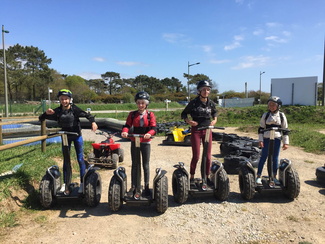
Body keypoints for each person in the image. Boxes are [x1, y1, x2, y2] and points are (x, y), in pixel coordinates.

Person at [39, 89, 98, 194]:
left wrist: (93, 123)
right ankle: (66, 184)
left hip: (76, 136)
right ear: (59, 100)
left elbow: (87, 115)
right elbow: (41, 118)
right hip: (65, 137)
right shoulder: (57, 111)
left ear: (70, 99)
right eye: (62, 99)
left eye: (66, 99)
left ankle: (82, 183)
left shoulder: (74, 109)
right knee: (66, 160)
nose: (64, 101)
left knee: (80, 159)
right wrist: (46, 113)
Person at [181, 80, 217, 184]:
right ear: (199, 91)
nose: (206, 91)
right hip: (196, 130)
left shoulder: (211, 103)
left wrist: (214, 120)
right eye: (204, 90)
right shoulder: (193, 103)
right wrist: (189, 121)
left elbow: (215, 113)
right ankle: (192, 176)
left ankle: (206, 176)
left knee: (208, 155)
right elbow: (184, 114)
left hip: (207, 130)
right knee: (196, 155)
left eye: (208, 90)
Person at [121, 91, 157, 196]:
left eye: (142, 103)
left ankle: (146, 186)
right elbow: (127, 125)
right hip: (134, 141)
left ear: (146, 104)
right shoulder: (132, 115)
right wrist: (125, 131)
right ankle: (134, 186)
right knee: (135, 164)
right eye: (138, 103)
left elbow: (154, 128)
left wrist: (149, 133)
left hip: (145, 142)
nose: (140, 105)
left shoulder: (150, 115)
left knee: (145, 164)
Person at [256, 96, 289, 185]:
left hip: (276, 138)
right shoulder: (265, 115)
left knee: (275, 158)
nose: (271, 106)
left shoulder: (281, 116)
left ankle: (274, 177)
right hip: (267, 138)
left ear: (278, 106)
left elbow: (285, 130)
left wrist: (286, 142)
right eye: (269, 105)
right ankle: (258, 176)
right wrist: (260, 140)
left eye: (273, 105)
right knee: (263, 157)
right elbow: (261, 129)